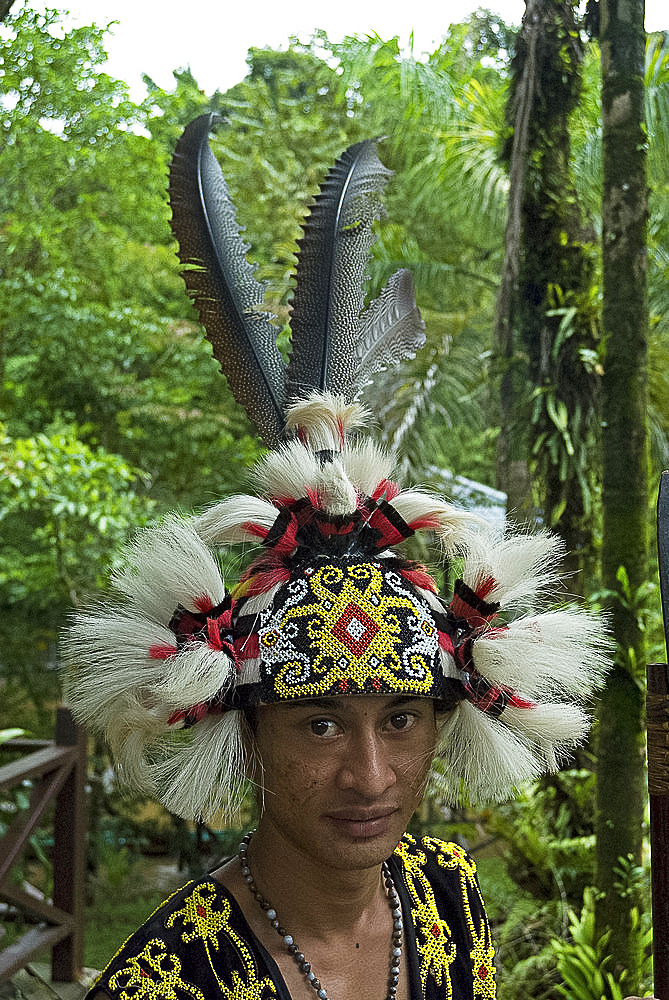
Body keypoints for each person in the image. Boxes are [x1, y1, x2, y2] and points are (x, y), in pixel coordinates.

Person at [63, 117, 612, 1000]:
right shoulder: (166, 983)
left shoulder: (445, 897)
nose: (370, 776)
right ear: (244, 729)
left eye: (401, 717)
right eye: (319, 723)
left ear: (448, 713)